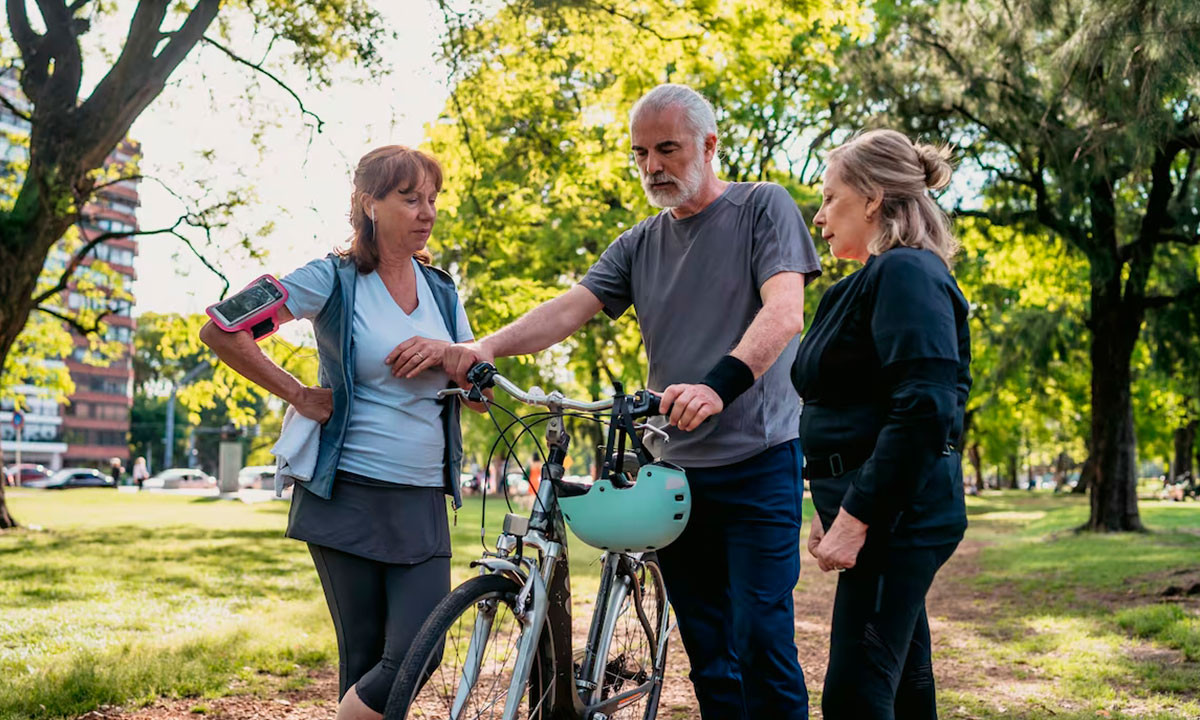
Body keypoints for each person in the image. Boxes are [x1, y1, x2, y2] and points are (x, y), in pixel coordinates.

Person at [446, 83, 821, 719]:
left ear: (708, 144)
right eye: (640, 153)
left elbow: (784, 312)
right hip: (673, 476)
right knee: (706, 646)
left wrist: (716, 386)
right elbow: (571, 308)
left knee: (760, 637)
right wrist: (486, 346)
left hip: (758, 461)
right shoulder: (638, 242)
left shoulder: (763, 207)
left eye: (667, 149)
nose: (652, 166)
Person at [200, 145, 482, 720]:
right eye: (410, 199)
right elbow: (223, 330)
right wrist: (299, 395)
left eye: (432, 199)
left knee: (417, 654)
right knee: (364, 659)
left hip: (423, 497)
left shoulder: (444, 292)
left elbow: (480, 391)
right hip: (347, 495)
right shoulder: (331, 278)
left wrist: (451, 355)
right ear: (368, 204)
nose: (426, 212)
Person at [791, 129, 971, 719]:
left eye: (829, 197)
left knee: (854, 697)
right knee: (902, 685)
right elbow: (850, 407)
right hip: (875, 514)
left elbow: (925, 408)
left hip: (901, 518)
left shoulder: (909, 273)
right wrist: (831, 509)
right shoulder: (859, 285)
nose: (819, 217)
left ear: (872, 199)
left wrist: (857, 517)